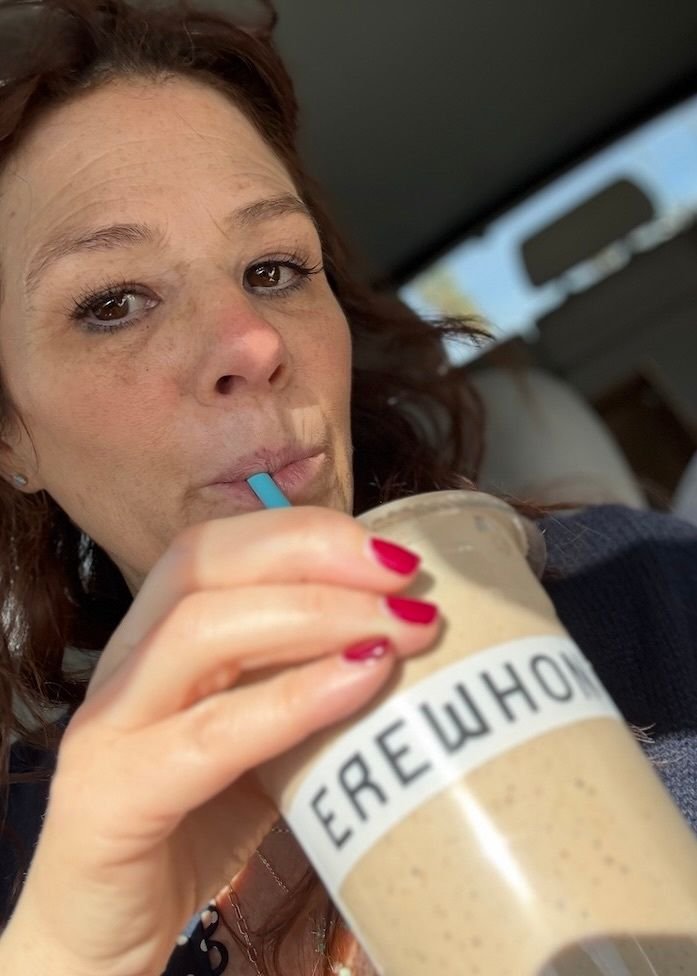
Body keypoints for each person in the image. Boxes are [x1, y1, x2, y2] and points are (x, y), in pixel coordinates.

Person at [0, 3, 695, 976]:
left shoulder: (649, 587)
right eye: (112, 302)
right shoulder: (27, 854)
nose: (252, 341)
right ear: (12, 437)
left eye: (273, 268)